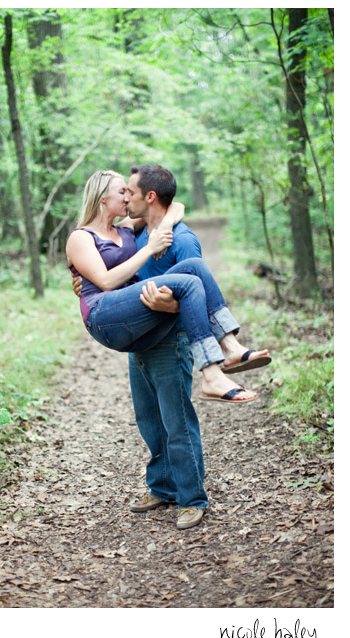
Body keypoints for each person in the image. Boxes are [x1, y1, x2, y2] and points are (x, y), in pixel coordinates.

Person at [68, 165, 270, 529]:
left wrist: (171, 305)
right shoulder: (128, 231)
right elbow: (107, 277)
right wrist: (90, 280)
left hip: (169, 337)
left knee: (177, 423)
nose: (126, 197)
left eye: (130, 191)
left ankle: (191, 498)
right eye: (121, 191)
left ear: (149, 197)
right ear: (102, 198)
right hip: (135, 328)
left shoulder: (174, 237)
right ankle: (162, 487)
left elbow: (177, 214)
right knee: (149, 420)